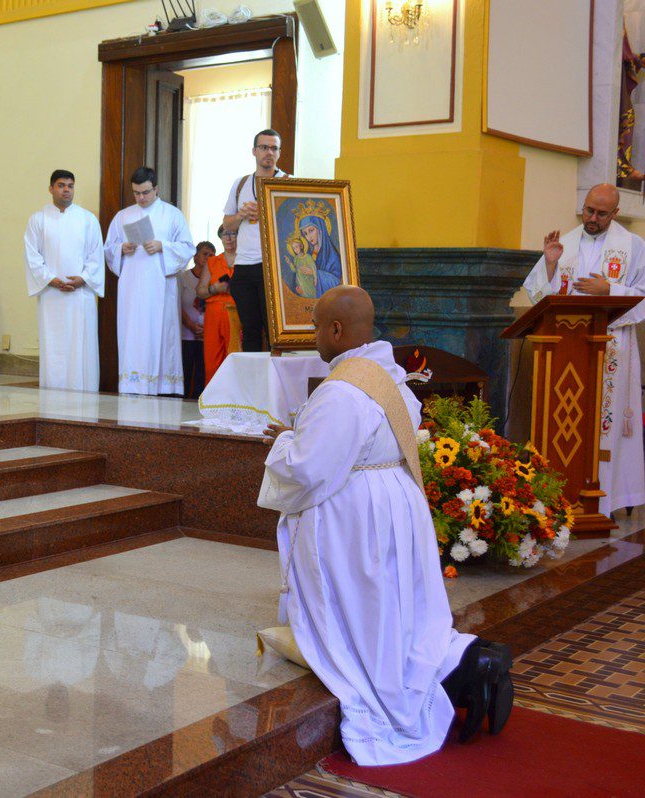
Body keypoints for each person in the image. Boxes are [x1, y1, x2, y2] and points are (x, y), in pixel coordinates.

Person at [260, 285, 513, 766]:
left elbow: (308, 470)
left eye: (316, 327)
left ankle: (466, 668)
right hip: (395, 501)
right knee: (395, 606)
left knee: (364, 616)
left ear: (336, 330)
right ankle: (474, 660)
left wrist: (283, 445)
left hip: (356, 513)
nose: (313, 336)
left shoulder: (340, 390)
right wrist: (301, 434)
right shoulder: (387, 373)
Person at [522, 183, 645, 516]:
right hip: (568, 350)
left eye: (601, 213)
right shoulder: (565, 244)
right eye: (589, 210)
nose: (592, 218)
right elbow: (540, 296)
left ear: (615, 212)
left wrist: (611, 290)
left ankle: (605, 499)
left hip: (612, 347)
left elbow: (643, 296)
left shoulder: (633, 246)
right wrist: (550, 265)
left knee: (606, 423)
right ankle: (563, 494)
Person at [104, 166, 195, 395]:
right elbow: (108, 249)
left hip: (160, 289)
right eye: (136, 193)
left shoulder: (172, 215)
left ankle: (163, 385)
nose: (141, 198)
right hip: (132, 289)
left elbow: (187, 248)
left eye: (145, 192)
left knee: (160, 334)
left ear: (156, 189)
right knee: (133, 333)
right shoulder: (123, 216)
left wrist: (162, 246)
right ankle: (133, 383)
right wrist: (121, 248)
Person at [24, 169, 105, 391]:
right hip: (51, 295)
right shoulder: (38, 219)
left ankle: (84, 391)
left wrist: (83, 279)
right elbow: (32, 257)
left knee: (81, 344)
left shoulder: (88, 219)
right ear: (51, 189)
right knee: (55, 344)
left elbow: (96, 255)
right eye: (61, 185)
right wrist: (51, 280)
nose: (66, 190)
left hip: (81, 294)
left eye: (70, 185)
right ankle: (53, 389)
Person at [223, 129, 288, 351]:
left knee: (274, 331)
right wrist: (241, 215)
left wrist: (267, 211)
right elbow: (227, 224)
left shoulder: (288, 182)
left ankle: (274, 373)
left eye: (274, 148)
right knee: (249, 331)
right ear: (254, 151)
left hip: (274, 267)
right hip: (243, 265)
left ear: (279, 153)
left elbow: (293, 224)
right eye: (264, 147)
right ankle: (252, 374)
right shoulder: (241, 184)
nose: (269, 152)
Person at [197, 226, 236, 383]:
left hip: (237, 314)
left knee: (235, 356)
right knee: (212, 359)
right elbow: (200, 291)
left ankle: (235, 396)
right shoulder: (212, 262)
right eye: (224, 234)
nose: (228, 238)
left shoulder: (246, 260)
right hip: (214, 316)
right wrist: (214, 289)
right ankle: (213, 396)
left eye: (232, 233)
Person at [179, 242, 212, 398]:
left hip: (206, 336)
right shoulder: (183, 277)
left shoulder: (214, 279)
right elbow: (176, 304)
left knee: (202, 374)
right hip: (185, 335)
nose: (208, 258)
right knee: (185, 372)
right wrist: (189, 324)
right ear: (195, 256)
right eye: (205, 254)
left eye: (212, 255)